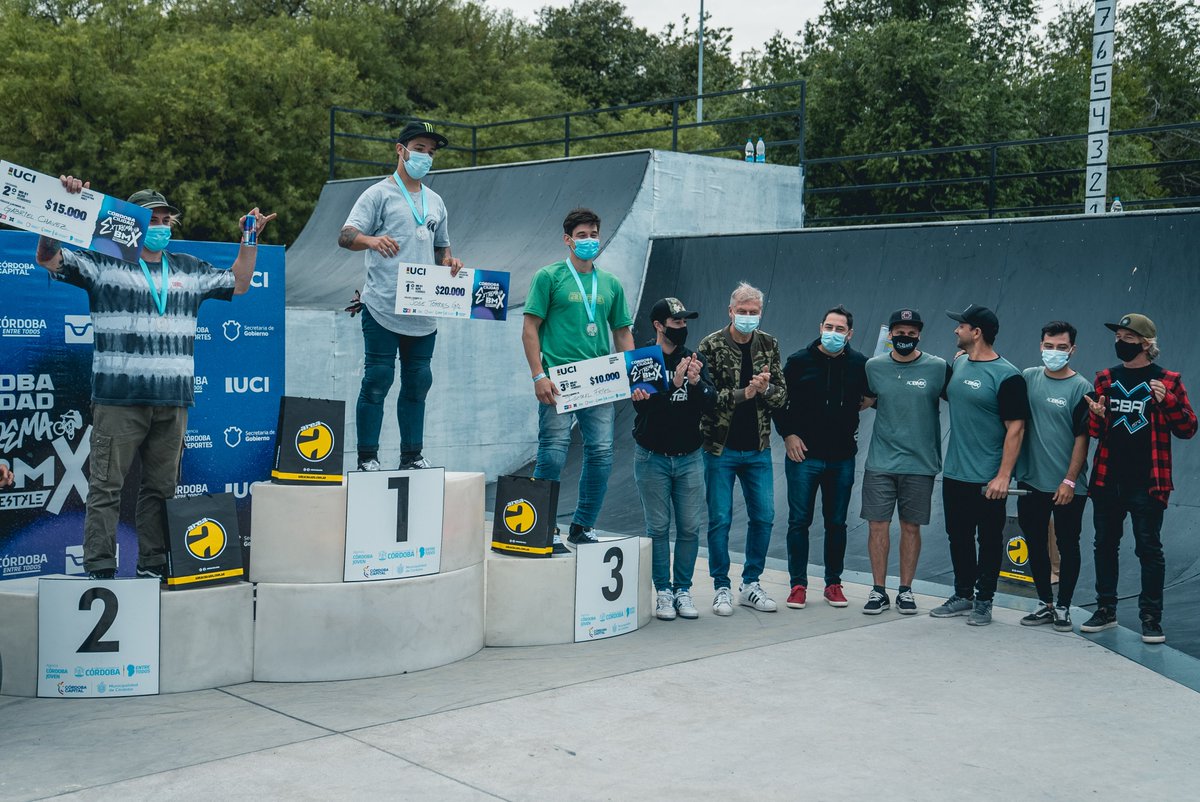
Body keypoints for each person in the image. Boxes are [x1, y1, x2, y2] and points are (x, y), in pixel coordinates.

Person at [35, 177, 273, 580]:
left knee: (162, 492)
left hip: (173, 401)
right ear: (131, 225)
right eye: (151, 219)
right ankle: (99, 570)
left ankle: (153, 565)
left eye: (166, 219)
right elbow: (48, 258)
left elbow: (240, 281)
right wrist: (58, 210)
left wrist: (249, 237)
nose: (160, 225)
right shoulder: (104, 263)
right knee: (106, 488)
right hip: (117, 400)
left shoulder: (188, 268)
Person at [338, 120, 464, 471]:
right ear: (401, 150)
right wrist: (372, 240)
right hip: (382, 305)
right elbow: (346, 235)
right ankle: (368, 457)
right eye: (419, 149)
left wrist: (450, 262)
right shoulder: (378, 194)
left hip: (423, 310)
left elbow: (442, 248)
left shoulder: (436, 201)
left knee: (418, 382)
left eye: (431, 152)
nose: (425, 157)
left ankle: (412, 455)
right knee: (378, 378)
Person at [522, 208, 634, 553]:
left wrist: (633, 375)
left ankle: (583, 525)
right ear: (567, 239)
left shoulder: (611, 283)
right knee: (552, 455)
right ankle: (543, 527)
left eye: (594, 235)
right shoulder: (549, 276)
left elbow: (623, 333)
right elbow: (529, 329)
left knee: (601, 454)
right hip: (559, 380)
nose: (589, 241)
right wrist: (538, 375)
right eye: (582, 235)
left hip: (599, 381)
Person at [1081, 313, 1196, 644]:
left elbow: (1187, 428)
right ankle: (1105, 609)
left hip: (1149, 481)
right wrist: (1097, 417)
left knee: (1149, 549)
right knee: (1104, 545)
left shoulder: (1168, 380)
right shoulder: (1105, 378)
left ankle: (1151, 617)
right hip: (1107, 478)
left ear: (1146, 344)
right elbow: (1094, 431)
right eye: (1118, 337)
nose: (1120, 343)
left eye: (1127, 338)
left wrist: (1168, 401)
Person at [931, 304, 1029, 626]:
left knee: (987, 539)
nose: (955, 330)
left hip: (988, 478)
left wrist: (1003, 476)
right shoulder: (959, 364)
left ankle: (984, 599)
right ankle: (963, 594)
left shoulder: (1008, 376)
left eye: (961, 326)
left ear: (977, 332)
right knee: (957, 535)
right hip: (956, 471)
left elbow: (1016, 427)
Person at [697, 282, 787, 615]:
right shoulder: (711, 345)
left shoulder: (769, 344)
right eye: (743, 311)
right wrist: (743, 394)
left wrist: (765, 389)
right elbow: (704, 399)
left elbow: (782, 396)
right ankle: (721, 585)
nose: (748, 317)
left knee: (764, 516)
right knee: (720, 519)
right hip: (720, 448)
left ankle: (751, 582)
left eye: (754, 312)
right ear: (730, 311)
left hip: (758, 448)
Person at [776, 305, 869, 610]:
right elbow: (778, 401)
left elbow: (870, 396)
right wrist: (788, 435)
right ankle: (798, 585)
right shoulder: (798, 362)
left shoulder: (859, 364)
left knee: (837, 523)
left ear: (849, 334)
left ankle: (833, 584)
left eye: (839, 329)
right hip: (804, 457)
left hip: (841, 457)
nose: (833, 333)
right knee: (799, 521)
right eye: (829, 327)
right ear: (820, 328)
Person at [631, 298, 717, 620]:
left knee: (690, 527)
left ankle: (683, 589)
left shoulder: (696, 358)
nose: (681, 327)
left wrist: (694, 383)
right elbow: (646, 410)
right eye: (676, 322)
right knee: (658, 527)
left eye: (684, 322)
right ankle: (663, 591)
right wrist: (674, 385)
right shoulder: (643, 360)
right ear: (658, 325)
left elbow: (711, 403)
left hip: (689, 457)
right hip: (652, 456)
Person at [860, 309, 946, 615]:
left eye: (911, 334)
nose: (905, 338)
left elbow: (964, 400)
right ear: (891, 334)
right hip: (881, 462)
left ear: (919, 335)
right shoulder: (875, 367)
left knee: (911, 528)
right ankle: (878, 590)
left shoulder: (937, 368)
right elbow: (863, 400)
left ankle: (906, 590)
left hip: (920, 464)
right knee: (877, 526)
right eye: (899, 333)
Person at [1015, 321, 1092, 632]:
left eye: (1062, 348)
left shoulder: (1081, 388)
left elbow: (1082, 438)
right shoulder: (1028, 377)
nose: (1055, 352)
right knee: (1034, 542)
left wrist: (1070, 480)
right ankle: (1044, 603)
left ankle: (1064, 607)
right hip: (1031, 481)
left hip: (1068, 486)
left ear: (1073, 350)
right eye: (1049, 346)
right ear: (1040, 345)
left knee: (1068, 544)